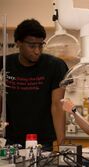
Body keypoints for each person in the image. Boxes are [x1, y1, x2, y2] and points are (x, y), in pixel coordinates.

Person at [0, 18, 68, 150]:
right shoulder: (3, 64)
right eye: (32, 46)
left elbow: (58, 105)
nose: (37, 51)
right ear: (18, 43)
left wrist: (61, 144)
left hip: (43, 142)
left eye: (41, 45)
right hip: (10, 140)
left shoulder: (55, 66)